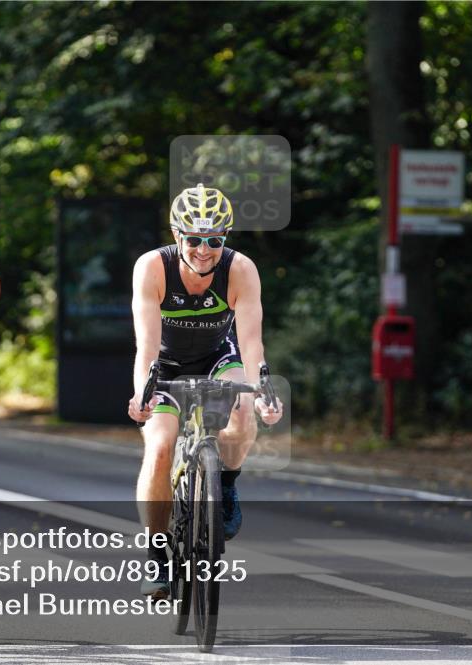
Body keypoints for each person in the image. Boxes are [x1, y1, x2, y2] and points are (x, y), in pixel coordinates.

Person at [128, 183, 283, 598]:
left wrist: (264, 390)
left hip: (220, 359)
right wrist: (144, 392)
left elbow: (251, 345)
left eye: (214, 240)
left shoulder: (240, 270)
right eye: (193, 240)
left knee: (243, 411)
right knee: (160, 448)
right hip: (167, 366)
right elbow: (145, 345)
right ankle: (158, 554)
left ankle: (226, 482)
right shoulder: (153, 267)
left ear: (224, 239)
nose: (203, 250)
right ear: (178, 235)